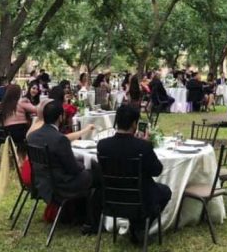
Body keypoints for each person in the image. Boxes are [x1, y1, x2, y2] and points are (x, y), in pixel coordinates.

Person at [96, 104, 172, 244]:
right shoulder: (143, 146)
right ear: (134, 124)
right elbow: (157, 170)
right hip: (141, 199)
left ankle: (136, 227)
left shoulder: (102, 145)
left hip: (111, 198)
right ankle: (140, 226)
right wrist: (145, 145)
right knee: (165, 191)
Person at [27, 102, 95, 229]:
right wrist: (83, 165)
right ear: (60, 117)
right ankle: (88, 219)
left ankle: (75, 214)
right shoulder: (59, 139)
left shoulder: (32, 136)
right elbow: (73, 169)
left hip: (40, 183)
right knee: (91, 174)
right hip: (58, 186)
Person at [0, 84, 38, 153]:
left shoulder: (1, 104)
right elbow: (37, 110)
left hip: (6, 133)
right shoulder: (21, 102)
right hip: (20, 132)